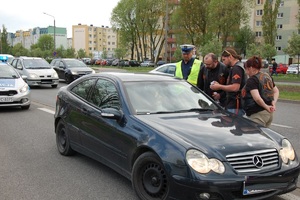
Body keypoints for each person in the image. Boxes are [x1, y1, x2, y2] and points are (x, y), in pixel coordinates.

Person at [241, 56, 279, 128]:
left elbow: (257, 98)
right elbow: (276, 91)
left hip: (258, 114)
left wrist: (266, 106)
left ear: (251, 68)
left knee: (253, 136)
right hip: (269, 114)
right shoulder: (267, 76)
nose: (246, 72)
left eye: (246, 69)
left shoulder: (252, 80)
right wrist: (273, 102)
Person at [210, 47, 247, 116]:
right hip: (233, 103)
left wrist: (219, 86)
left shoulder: (237, 68)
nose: (223, 62)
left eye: (224, 59)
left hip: (236, 105)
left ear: (230, 57)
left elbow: (235, 87)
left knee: (234, 124)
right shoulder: (236, 67)